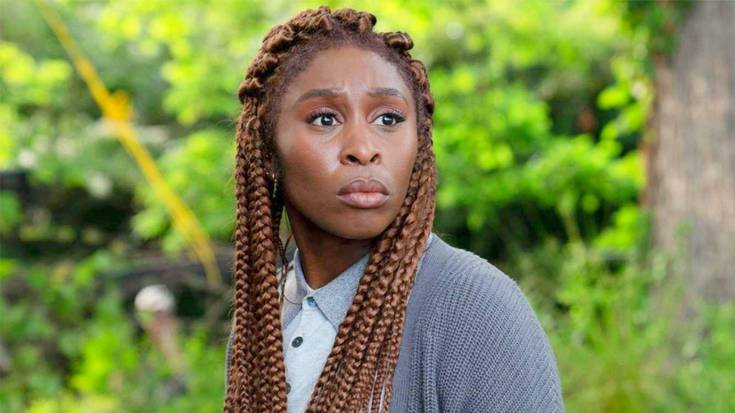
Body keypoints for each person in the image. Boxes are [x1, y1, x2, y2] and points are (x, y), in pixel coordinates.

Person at [223, 6, 564, 413]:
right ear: (266, 152)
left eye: (388, 118)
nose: (364, 148)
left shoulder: (472, 309)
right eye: (325, 118)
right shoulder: (264, 319)